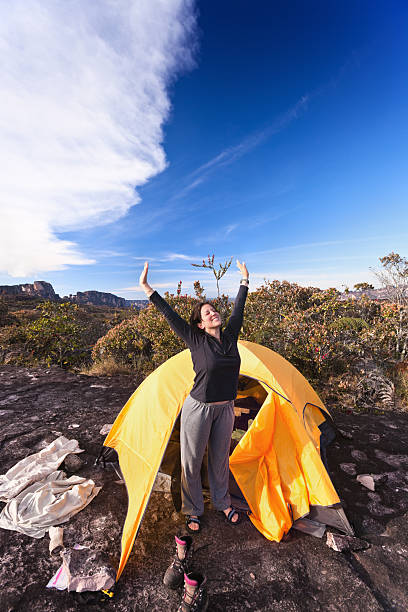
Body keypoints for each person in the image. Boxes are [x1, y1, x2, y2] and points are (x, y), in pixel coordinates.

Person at [139, 260, 249, 533]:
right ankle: (193, 509)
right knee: (192, 460)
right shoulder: (196, 340)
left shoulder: (231, 336)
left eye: (213, 310)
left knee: (220, 458)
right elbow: (169, 314)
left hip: (225, 409)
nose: (212, 314)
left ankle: (222, 503)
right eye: (206, 313)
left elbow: (238, 308)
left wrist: (245, 280)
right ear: (199, 325)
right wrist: (147, 288)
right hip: (198, 409)